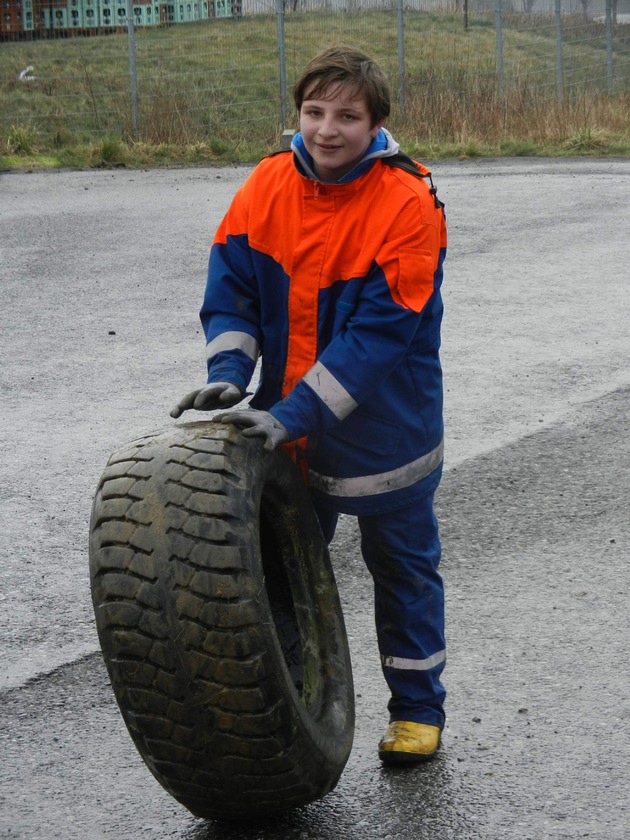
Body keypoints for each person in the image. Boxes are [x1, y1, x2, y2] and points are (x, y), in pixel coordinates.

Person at [171, 45, 448, 765]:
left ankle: (418, 711)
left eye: (347, 115)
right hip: (286, 429)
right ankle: (289, 698)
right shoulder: (267, 183)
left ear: (377, 122)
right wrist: (231, 369)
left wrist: (291, 413)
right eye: (314, 111)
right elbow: (230, 279)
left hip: (387, 431)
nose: (327, 129)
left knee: (404, 572)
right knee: (279, 570)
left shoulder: (407, 204)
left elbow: (378, 340)